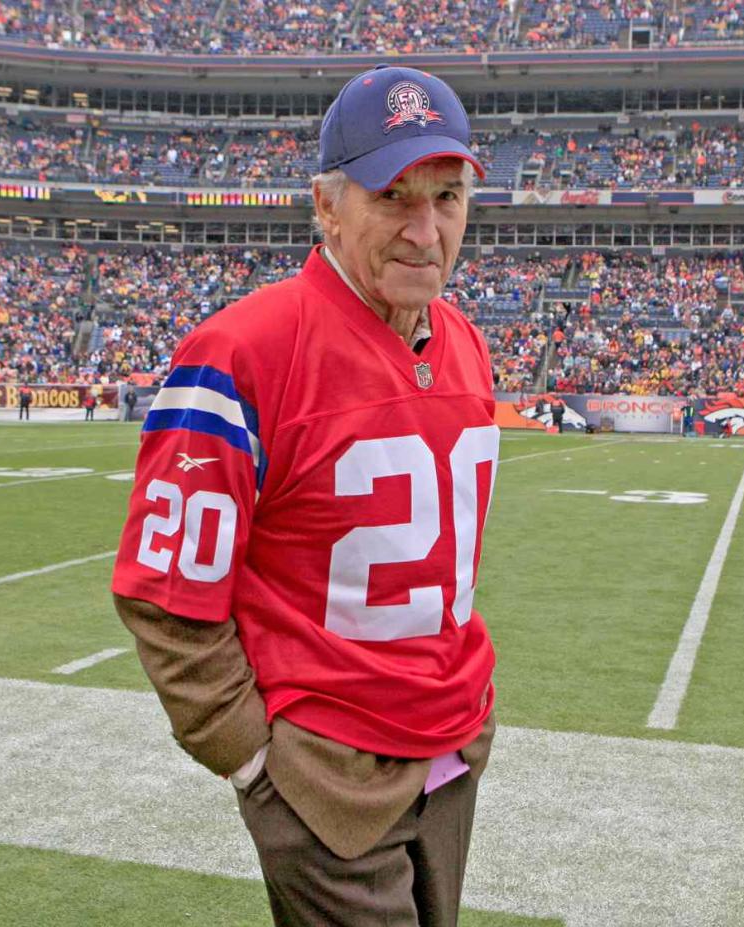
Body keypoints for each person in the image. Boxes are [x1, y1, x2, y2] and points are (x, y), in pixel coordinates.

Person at [112, 64, 496, 927]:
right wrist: (254, 765)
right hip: (323, 776)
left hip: (450, 749)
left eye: (447, 194)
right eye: (393, 196)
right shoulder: (241, 350)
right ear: (327, 206)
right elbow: (167, 591)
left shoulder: (464, 341)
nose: (426, 229)